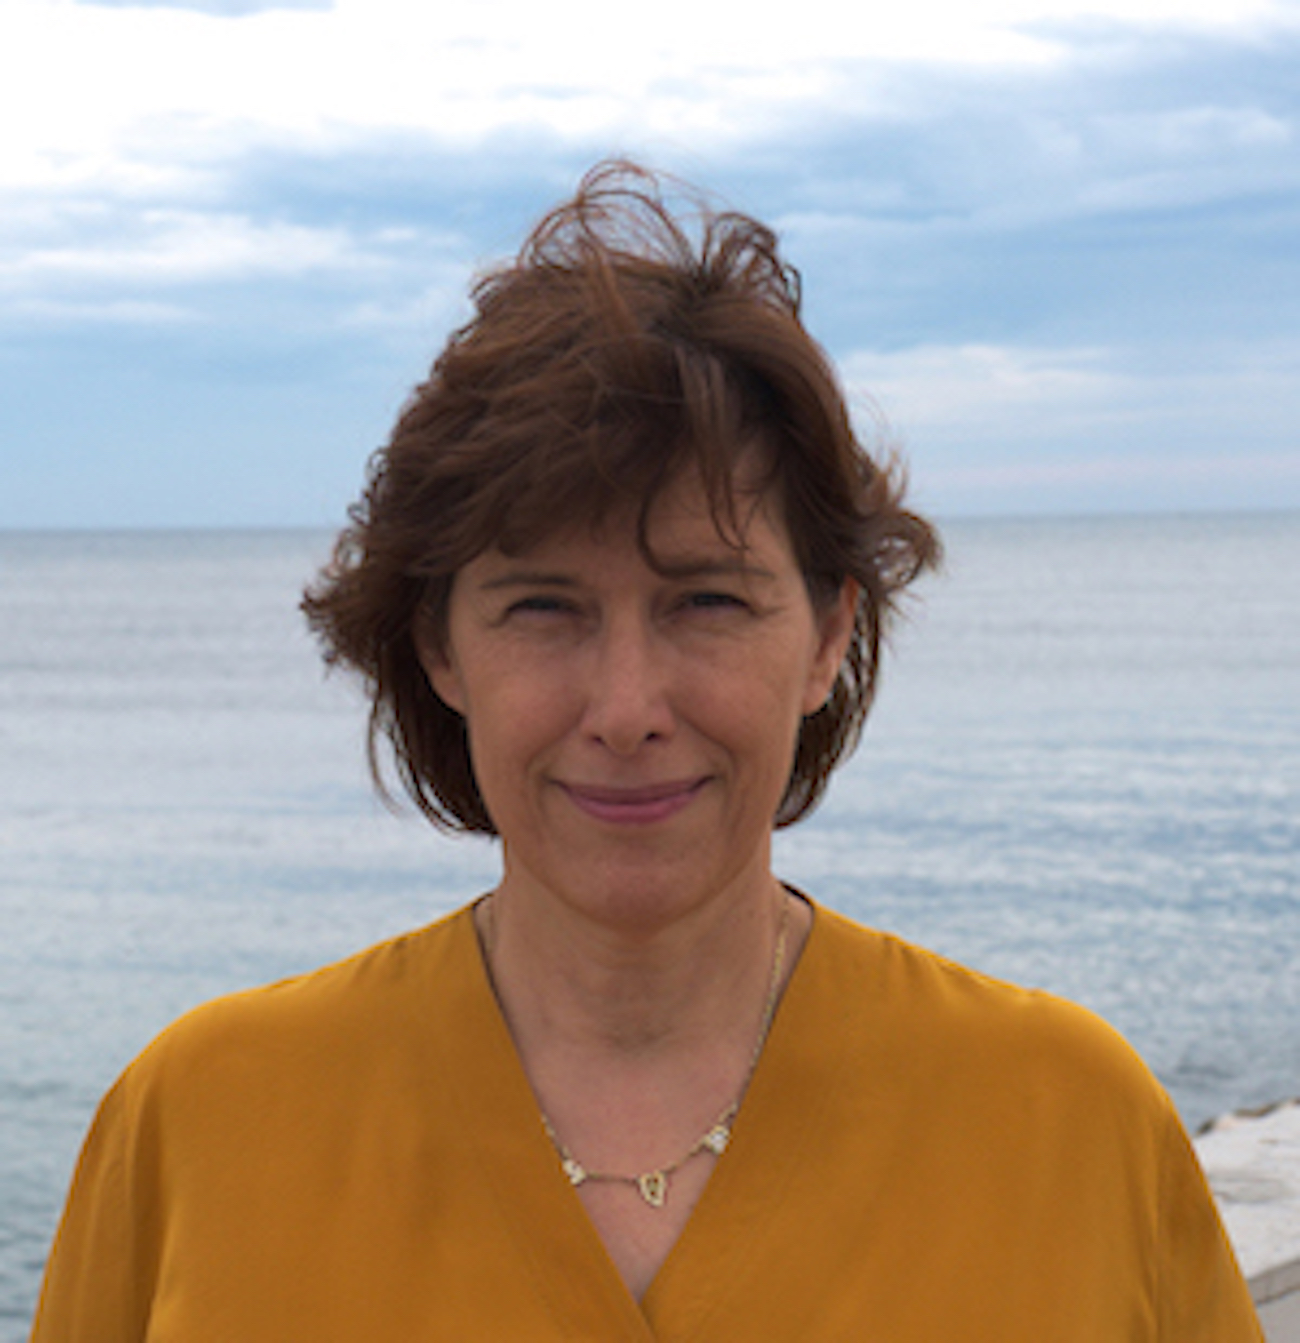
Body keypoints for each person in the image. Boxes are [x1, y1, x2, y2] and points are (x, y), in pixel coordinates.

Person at [31, 162, 1262, 1341]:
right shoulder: (198, 1123)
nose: (626, 709)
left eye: (707, 600)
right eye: (543, 606)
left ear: (828, 634)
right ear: (441, 646)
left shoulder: (1069, 1123)